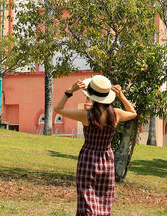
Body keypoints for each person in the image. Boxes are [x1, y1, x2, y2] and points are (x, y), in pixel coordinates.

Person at [55, 75, 137, 216]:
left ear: (91, 96)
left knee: (86, 201)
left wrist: (70, 91)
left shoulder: (86, 115)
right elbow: (133, 113)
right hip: (107, 160)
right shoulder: (116, 114)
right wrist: (121, 95)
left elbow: (58, 109)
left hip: (88, 159)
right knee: (104, 202)